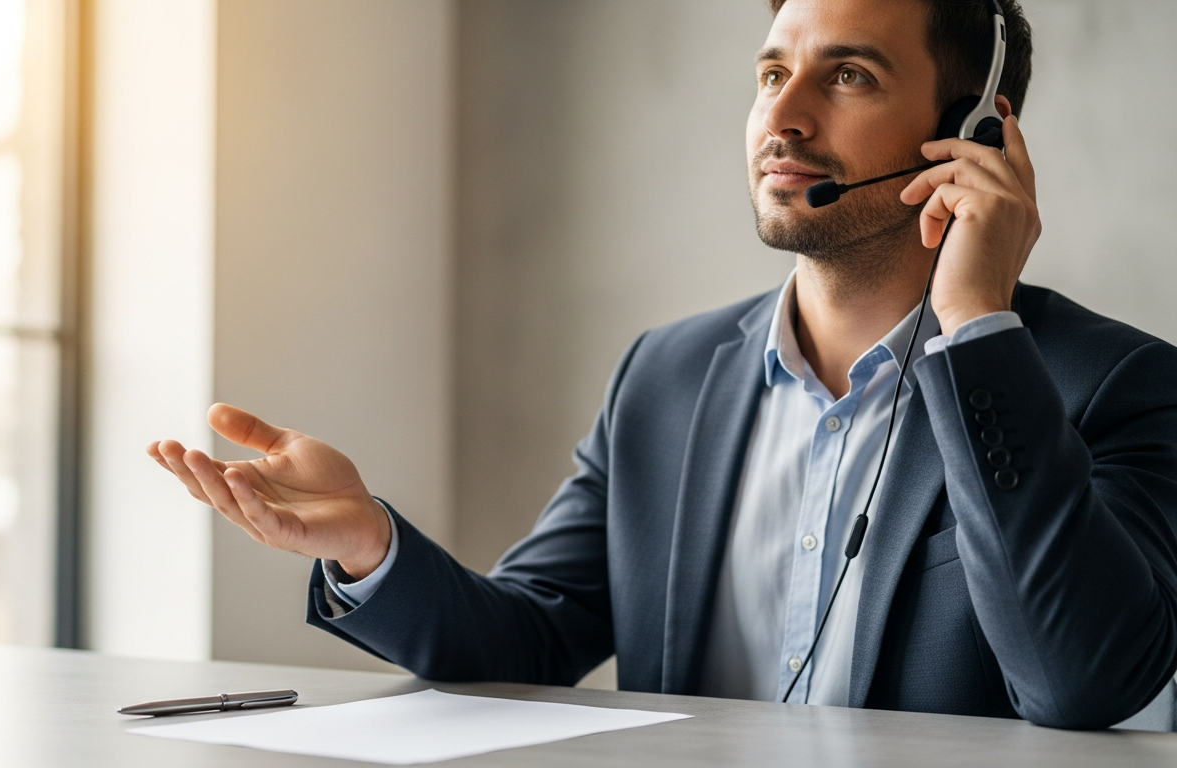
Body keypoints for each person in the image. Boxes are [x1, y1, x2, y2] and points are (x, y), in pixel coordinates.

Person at [149, 0, 1177, 729]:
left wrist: (973, 324)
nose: (784, 114)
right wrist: (371, 541)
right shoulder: (666, 378)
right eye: (773, 71)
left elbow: (1078, 683)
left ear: (972, 134)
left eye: (848, 74)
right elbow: (528, 643)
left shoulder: (1117, 388)